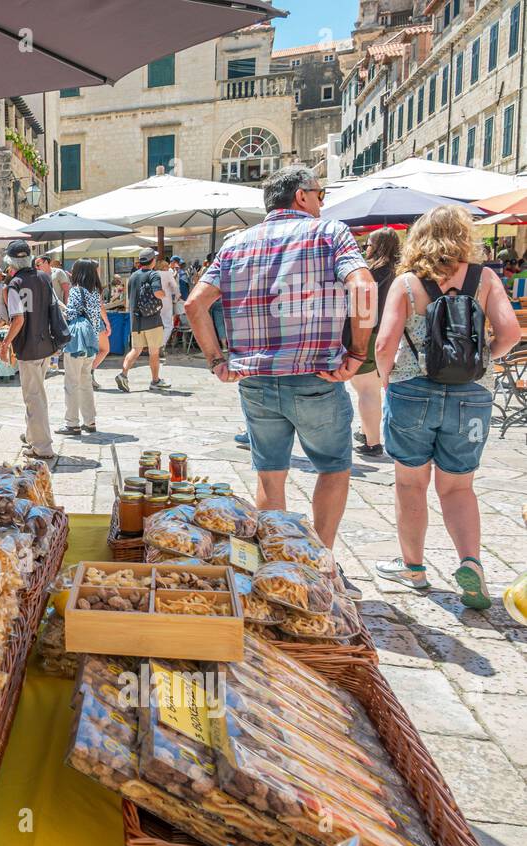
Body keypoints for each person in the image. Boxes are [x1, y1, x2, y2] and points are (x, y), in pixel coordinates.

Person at [185, 165, 375, 567]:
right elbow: (363, 286)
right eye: (320, 195)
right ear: (302, 195)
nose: (322, 202)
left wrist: (217, 360)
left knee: (270, 475)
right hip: (315, 375)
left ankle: (278, 562)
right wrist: (358, 353)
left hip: (256, 378)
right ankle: (318, 562)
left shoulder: (236, 243)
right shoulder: (330, 233)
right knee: (333, 468)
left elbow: (194, 303)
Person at [373, 205, 519, 609]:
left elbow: (384, 343)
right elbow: (510, 333)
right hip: (471, 395)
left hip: (413, 391)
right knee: (458, 486)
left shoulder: (407, 283)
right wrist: (482, 360)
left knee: (410, 482)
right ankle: (470, 562)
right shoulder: (485, 278)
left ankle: (414, 568)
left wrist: (386, 378)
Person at [1, 239, 59, 464]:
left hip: (28, 346)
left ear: (10, 261)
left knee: (34, 397)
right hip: (46, 343)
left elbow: (18, 319)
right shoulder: (44, 277)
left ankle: (42, 446)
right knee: (36, 394)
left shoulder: (14, 284)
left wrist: (5, 344)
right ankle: (33, 436)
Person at [352, 227, 400, 458]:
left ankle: (372, 443)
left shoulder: (374, 273)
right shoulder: (399, 272)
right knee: (372, 388)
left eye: (369, 244)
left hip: (370, 334)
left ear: (378, 246)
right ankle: (366, 431)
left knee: (366, 389)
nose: (366, 248)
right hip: (390, 335)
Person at [57, 258, 105, 435]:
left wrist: (60, 307)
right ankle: (90, 421)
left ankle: (72, 423)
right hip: (91, 342)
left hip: (77, 343)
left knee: (71, 383)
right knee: (86, 383)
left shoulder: (77, 290)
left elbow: (71, 314)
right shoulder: (95, 292)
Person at [116, 249, 170, 392]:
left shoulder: (133, 276)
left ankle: (123, 374)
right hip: (152, 319)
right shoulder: (154, 274)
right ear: (152, 260)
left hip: (136, 320)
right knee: (154, 352)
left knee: (136, 350)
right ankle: (155, 381)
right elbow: (157, 292)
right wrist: (164, 294)